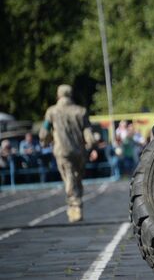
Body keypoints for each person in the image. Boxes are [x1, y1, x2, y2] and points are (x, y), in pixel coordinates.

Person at [39, 84, 96, 223]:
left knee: (69, 177)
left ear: (58, 95)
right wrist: (91, 145)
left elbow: (45, 131)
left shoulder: (52, 111)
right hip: (79, 151)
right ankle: (76, 203)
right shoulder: (81, 111)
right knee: (77, 177)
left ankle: (74, 206)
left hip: (62, 150)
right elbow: (88, 132)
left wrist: (45, 141)